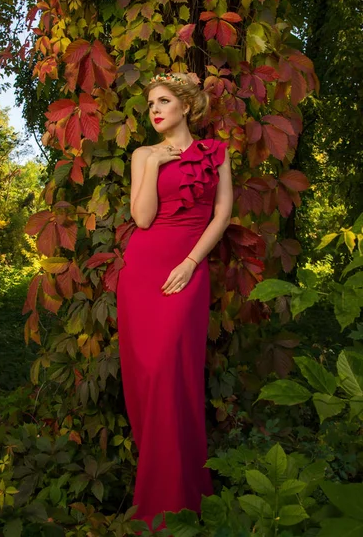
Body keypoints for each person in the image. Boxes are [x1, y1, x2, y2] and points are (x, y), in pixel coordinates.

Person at [116, 72, 233, 530]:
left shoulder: (216, 153)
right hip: (142, 273)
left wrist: (190, 263)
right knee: (147, 379)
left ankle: (177, 497)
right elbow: (142, 219)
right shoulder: (142, 154)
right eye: (149, 105)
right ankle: (162, 488)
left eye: (163, 101)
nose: (155, 110)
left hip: (187, 271)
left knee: (172, 374)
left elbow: (223, 215)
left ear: (186, 105)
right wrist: (152, 165)